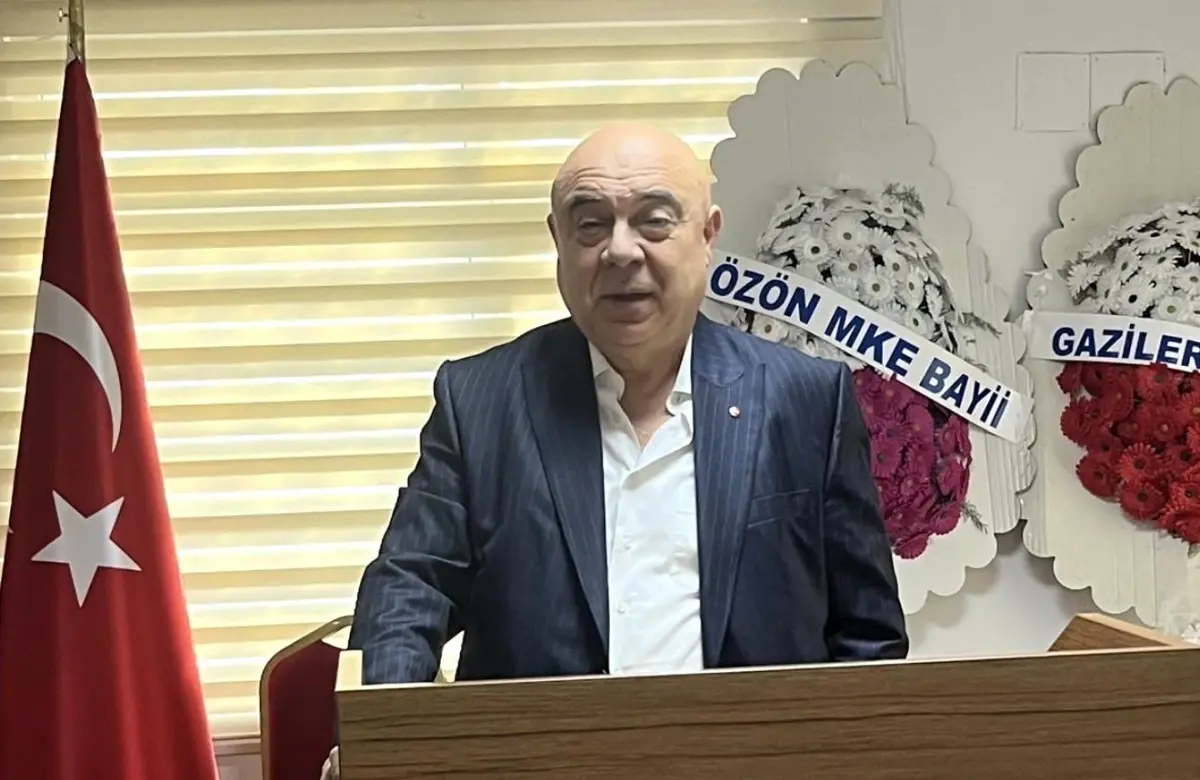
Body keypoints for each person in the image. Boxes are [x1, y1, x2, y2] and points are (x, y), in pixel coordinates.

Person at [349, 121, 907, 686]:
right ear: (558, 239)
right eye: (591, 224)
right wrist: (388, 725)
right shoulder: (480, 402)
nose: (619, 250)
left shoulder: (807, 400)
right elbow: (407, 594)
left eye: (654, 221)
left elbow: (868, 638)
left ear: (707, 236)